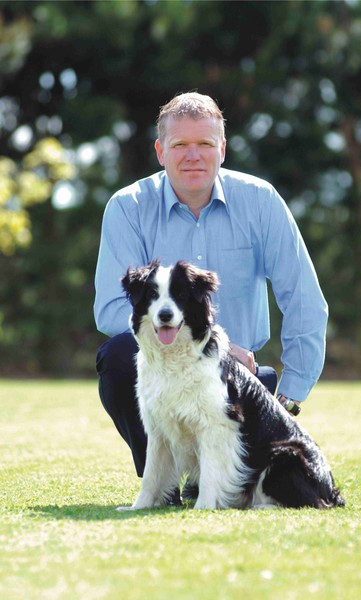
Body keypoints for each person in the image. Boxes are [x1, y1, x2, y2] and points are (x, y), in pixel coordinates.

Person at [94, 92, 328, 503]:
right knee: (117, 356)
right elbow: (112, 309)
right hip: (166, 367)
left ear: (222, 148)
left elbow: (304, 298)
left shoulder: (261, 201)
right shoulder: (126, 207)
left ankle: (215, 480)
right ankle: (163, 486)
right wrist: (208, 345)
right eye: (180, 145)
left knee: (234, 437)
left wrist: (290, 393)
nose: (193, 156)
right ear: (160, 151)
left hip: (241, 382)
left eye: (204, 144)